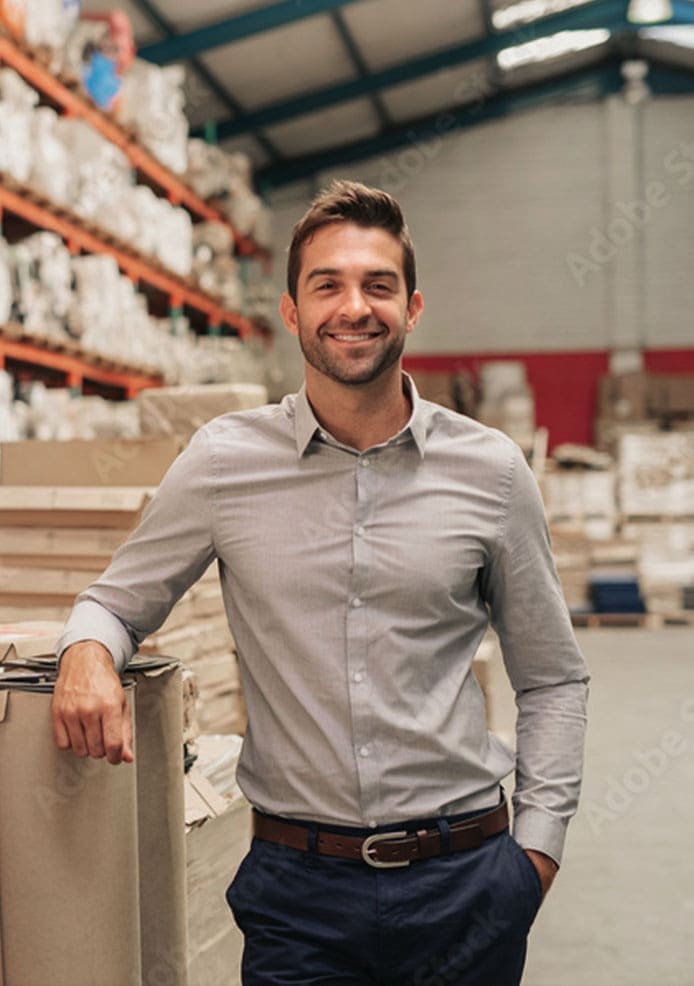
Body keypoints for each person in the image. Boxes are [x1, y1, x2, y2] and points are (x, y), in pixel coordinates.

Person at [53, 179, 589, 986]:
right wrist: (86, 651)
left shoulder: (490, 471)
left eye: (378, 285)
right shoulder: (224, 462)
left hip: (466, 881)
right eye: (327, 284)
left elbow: (552, 676)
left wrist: (536, 855)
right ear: (292, 311)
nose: (354, 306)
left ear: (411, 308)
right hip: (299, 891)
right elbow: (115, 602)